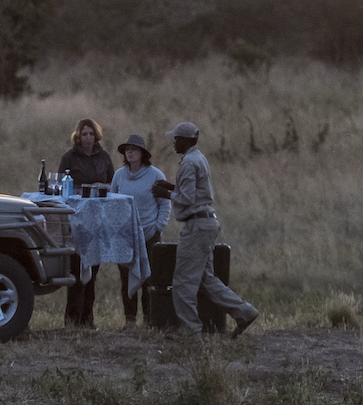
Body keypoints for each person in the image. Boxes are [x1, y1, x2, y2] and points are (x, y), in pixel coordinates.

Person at [152, 120, 257, 337]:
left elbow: (188, 198)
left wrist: (167, 194)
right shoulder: (199, 158)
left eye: (176, 139)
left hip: (196, 225)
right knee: (206, 279)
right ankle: (244, 311)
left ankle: (190, 328)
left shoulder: (188, 163)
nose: (173, 143)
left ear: (185, 140)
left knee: (182, 280)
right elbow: (197, 192)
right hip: (207, 222)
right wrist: (172, 187)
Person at [108, 134, 170, 324]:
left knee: (149, 279)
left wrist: (157, 226)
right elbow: (112, 201)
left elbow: (165, 204)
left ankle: (149, 319)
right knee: (126, 278)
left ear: (143, 153)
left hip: (149, 233)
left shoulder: (156, 175)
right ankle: (130, 319)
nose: (130, 153)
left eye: (134, 149)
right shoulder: (119, 175)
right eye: (128, 150)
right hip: (125, 235)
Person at [57, 118, 113, 327]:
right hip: (76, 218)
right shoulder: (69, 158)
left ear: (96, 136)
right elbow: (61, 187)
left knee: (93, 271)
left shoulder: (104, 157)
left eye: (91, 134)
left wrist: (103, 187)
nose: (88, 138)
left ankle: (88, 320)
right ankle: (72, 320)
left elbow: (113, 183)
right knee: (77, 270)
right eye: (84, 134)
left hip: (98, 218)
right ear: (78, 137)